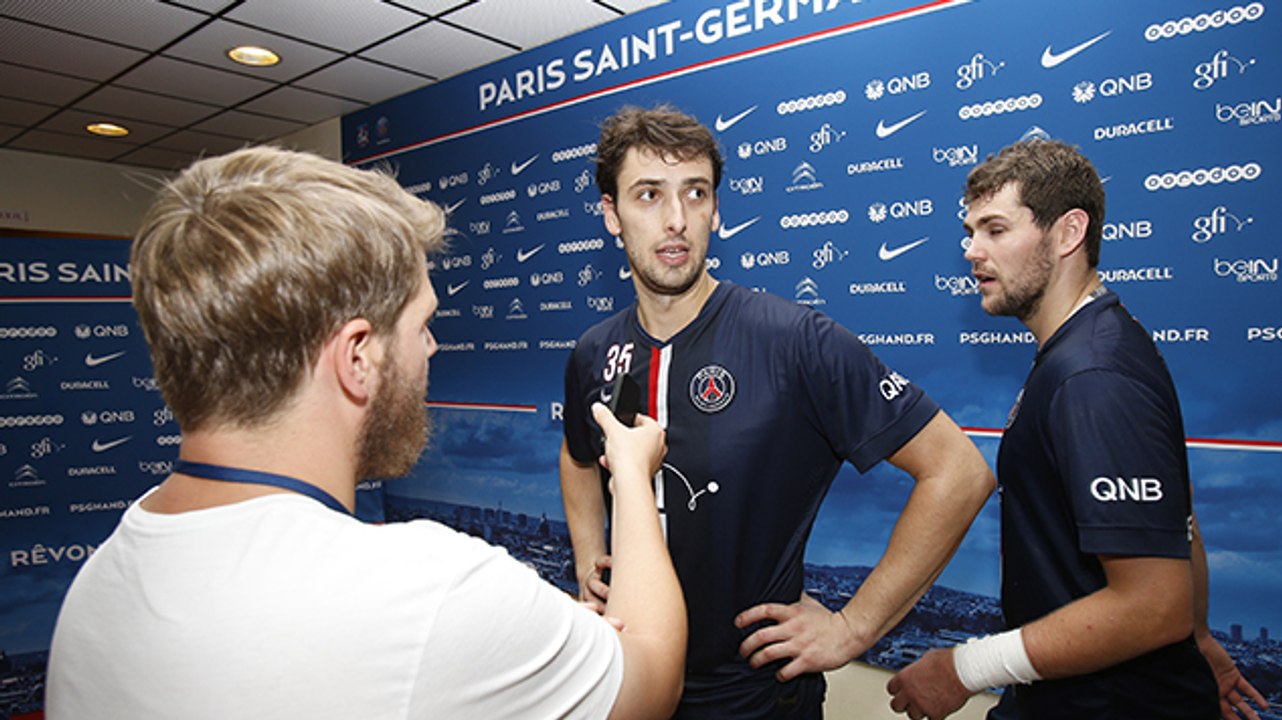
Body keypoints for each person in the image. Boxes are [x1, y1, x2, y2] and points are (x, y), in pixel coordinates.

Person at [45, 146, 686, 720]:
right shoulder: (429, 592)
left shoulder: (95, 590)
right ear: (357, 357)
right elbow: (652, 679)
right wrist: (630, 474)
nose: (430, 348)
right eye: (420, 325)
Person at [560, 104, 996, 718]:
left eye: (695, 193)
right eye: (649, 195)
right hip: (621, 684)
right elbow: (579, 456)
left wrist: (853, 627)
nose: (676, 220)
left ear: (716, 208)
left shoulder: (796, 342)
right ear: (612, 214)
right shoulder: (592, 353)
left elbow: (959, 472)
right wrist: (586, 559)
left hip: (753, 701)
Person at [887, 139, 1269, 720]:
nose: (971, 251)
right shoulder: (1091, 348)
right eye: (969, 232)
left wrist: (964, 668)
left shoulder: (1092, 374)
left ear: (1068, 233)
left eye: (994, 230)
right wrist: (1200, 638)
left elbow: (1151, 604)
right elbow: (1177, 517)